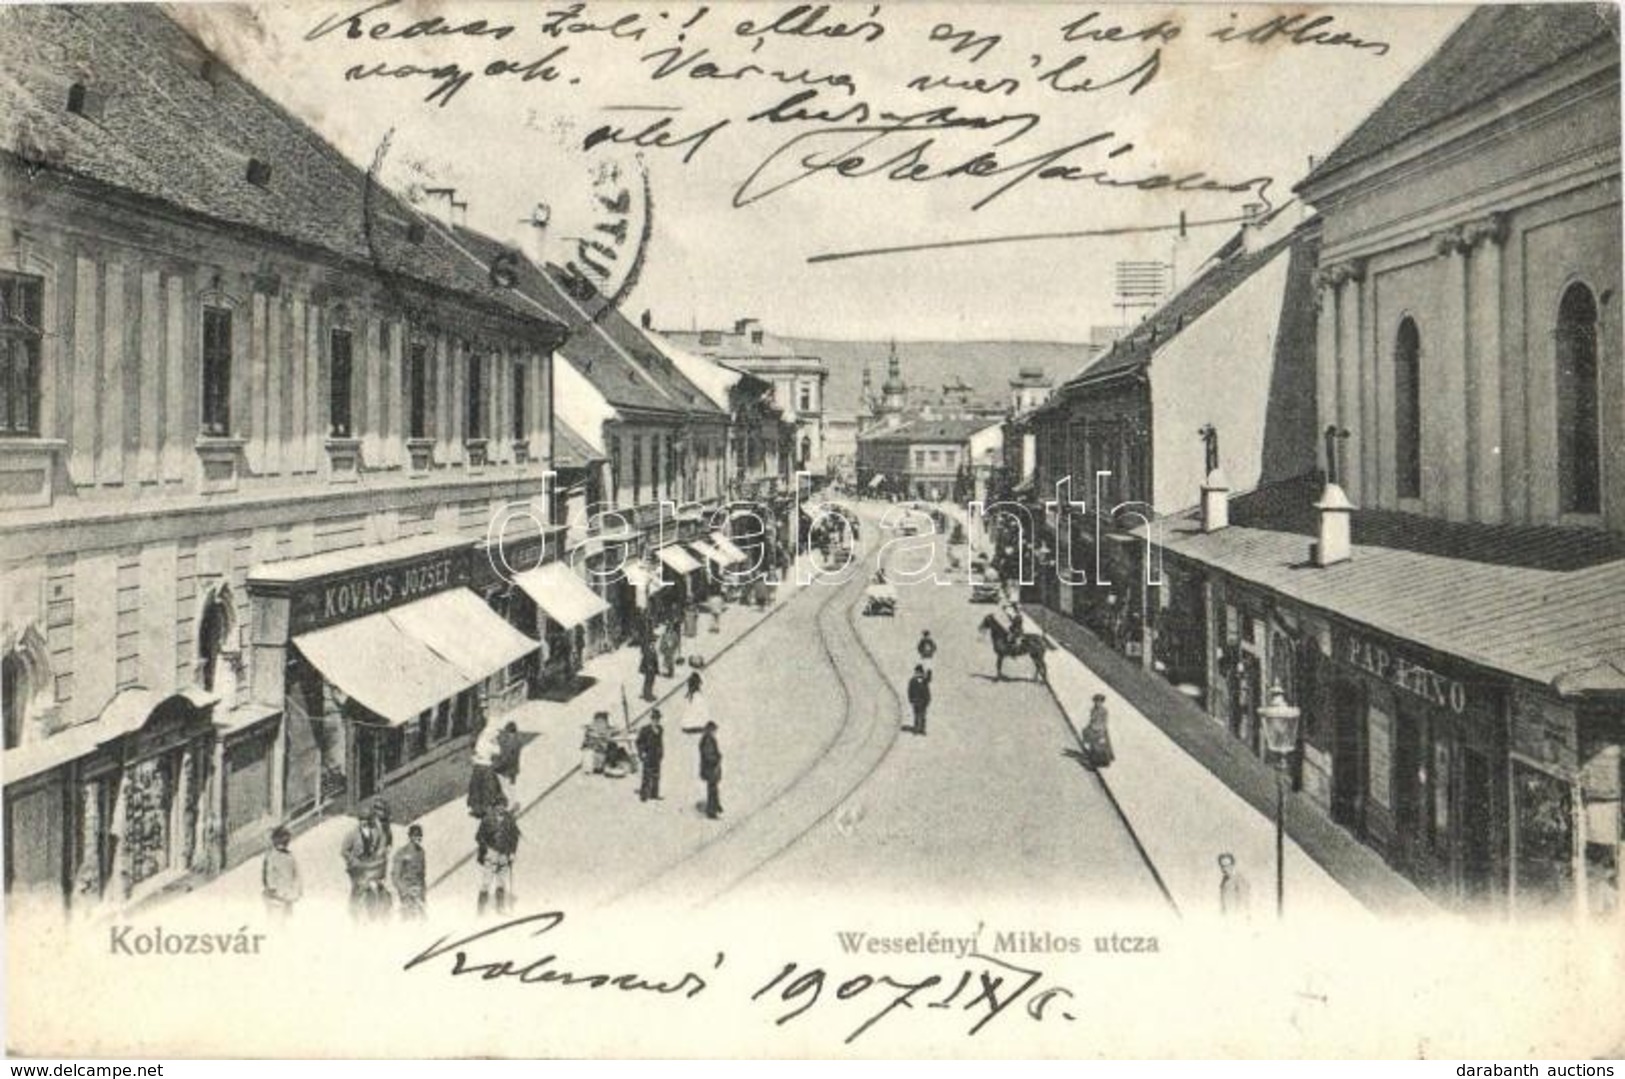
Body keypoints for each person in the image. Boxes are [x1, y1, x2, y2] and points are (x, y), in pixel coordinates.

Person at [340, 804, 391, 921]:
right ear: (359, 820)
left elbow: (380, 845)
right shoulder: (352, 834)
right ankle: (353, 912)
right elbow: (344, 851)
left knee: (375, 887)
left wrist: (380, 855)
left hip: (370, 865)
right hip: (357, 866)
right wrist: (353, 860)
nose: (365, 822)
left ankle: (373, 911)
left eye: (367, 820)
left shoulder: (375, 832)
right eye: (362, 820)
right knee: (358, 888)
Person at [475, 801, 521, 916]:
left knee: (501, 882)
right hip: (492, 854)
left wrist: (512, 853)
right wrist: (486, 848)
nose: (501, 808)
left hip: (504, 855)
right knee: (486, 882)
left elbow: (514, 837)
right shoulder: (487, 820)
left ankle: (500, 907)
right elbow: (479, 836)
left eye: (503, 806)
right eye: (498, 806)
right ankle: (480, 910)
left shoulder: (509, 820)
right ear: (494, 807)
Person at [261, 826, 301, 922]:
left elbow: (295, 874)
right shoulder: (280, 856)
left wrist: (295, 890)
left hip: (282, 894)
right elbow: (268, 874)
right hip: (280, 894)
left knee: (283, 920)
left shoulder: (285, 856)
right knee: (279, 920)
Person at [467, 723, 505, 819]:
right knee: (490, 789)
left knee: (477, 788)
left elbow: (476, 752)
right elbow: (498, 751)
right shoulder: (490, 744)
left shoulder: (480, 741)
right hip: (487, 767)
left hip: (478, 767)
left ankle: (477, 809)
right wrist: (496, 742)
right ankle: (488, 809)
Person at [393, 823, 427, 921]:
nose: (418, 838)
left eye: (420, 836)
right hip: (407, 890)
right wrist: (404, 891)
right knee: (407, 918)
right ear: (410, 837)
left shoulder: (421, 852)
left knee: (422, 918)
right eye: (416, 836)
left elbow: (422, 873)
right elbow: (396, 876)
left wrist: (423, 891)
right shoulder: (402, 852)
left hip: (418, 889)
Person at [637, 709, 665, 802]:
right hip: (648, 755)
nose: (656, 721)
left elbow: (660, 743)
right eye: (655, 719)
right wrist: (642, 753)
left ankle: (654, 794)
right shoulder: (645, 729)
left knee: (656, 775)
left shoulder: (660, 729)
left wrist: (661, 753)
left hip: (656, 756)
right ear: (651, 719)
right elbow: (639, 742)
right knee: (646, 775)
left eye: (658, 719)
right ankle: (644, 795)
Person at [1082, 693, 1115, 769]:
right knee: (1094, 747)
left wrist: (1102, 731)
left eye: (1099, 702)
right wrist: (1089, 727)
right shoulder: (1093, 710)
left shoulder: (1104, 711)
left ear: (1102, 702)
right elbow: (1091, 720)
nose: (1098, 704)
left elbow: (1104, 722)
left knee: (1102, 747)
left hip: (1101, 730)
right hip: (1094, 728)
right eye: (1096, 702)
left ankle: (1104, 762)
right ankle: (1094, 762)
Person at [699, 721, 723, 819]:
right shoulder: (708, 740)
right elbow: (709, 755)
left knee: (713, 788)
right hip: (710, 768)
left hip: (711, 768)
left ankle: (715, 806)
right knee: (712, 789)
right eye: (714, 730)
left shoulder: (708, 739)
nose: (715, 732)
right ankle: (711, 811)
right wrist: (717, 758)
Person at [1218, 852, 1251, 919]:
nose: (1224, 869)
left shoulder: (1239, 879)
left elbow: (1244, 902)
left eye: (1227, 865)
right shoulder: (1224, 880)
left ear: (1233, 865)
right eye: (1222, 866)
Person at [494, 721, 522, 800]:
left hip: (507, 768)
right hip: (514, 767)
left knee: (506, 787)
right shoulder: (517, 740)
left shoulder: (510, 743)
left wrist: (497, 767)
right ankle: (513, 801)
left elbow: (506, 757)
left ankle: (511, 803)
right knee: (512, 785)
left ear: (508, 731)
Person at [906, 664, 933, 735]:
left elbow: (929, 679)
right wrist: (911, 699)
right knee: (917, 715)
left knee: (923, 715)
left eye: (919, 672)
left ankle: (922, 729)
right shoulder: (913, 680)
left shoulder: (924, 680)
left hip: (923, 701)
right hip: (916, 700)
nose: (918, 674)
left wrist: (929, 671)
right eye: (917, 672)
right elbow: (910, 690)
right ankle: (916, 728)